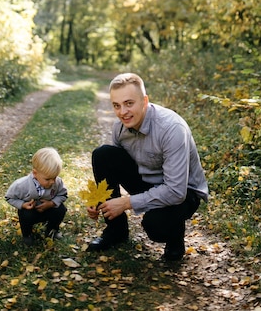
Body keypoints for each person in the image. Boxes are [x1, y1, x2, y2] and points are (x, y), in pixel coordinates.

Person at [86, 72, 208, 261]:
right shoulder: (120, 128)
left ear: (144, 101)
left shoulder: (172, 128)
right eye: (116, 106)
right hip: (147, 180)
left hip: (184, 192)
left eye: (129, 103)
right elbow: (116, 165)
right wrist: (99, 200)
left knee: (156, 226)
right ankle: (116, 231)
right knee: (103, 154)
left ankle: (175, 237)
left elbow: (176, 191)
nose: (122, 112)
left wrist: (127, 203)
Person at [5, 147, 67, 246]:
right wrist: (23, 204)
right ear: (35, 173)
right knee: (25, 214)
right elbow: (9, 197)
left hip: (49, 210)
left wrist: (52, 203)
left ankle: (52, 230)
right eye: (48, 179)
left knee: (61, 209)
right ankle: (27, 235)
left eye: (54, 178)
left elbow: (63, 194)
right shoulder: (21, 185)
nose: (52, 182)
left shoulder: (57, 182)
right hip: (31, 212)